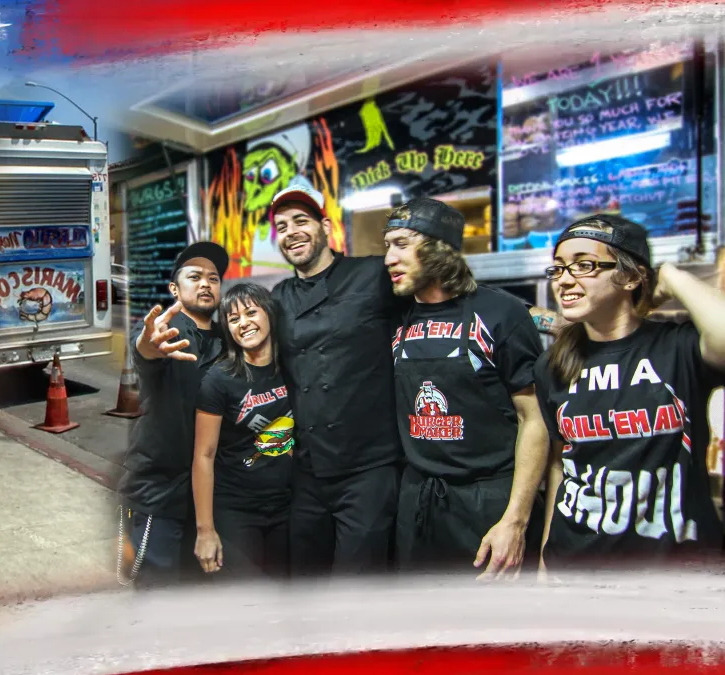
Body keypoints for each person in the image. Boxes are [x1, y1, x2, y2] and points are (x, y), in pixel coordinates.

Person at [535, 215, 725, 572]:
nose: (564, 279)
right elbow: (562, 463)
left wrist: (670, 276)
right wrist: (547, 559)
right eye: (558, 268)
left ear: (632, 276)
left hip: (672, 572)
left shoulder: (677, 348)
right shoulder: (553, 364)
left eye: (584, 265)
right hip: (574, 567)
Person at [382, 198, 549, 577]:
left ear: (440, 248)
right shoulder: (394, 316)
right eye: (386, 246)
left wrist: (516, 520)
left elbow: (534, 418)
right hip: (418, 502)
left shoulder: (500, 313)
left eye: (402, 244)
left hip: (488, 502)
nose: (389, 258)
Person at [267, 177, 408, 577]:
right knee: (303, 580)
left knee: (357, 588)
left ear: (325, 228)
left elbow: (440, 302)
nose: (292, 232)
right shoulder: (279, 297)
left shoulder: (372, 275)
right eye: (282, 227)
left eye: (301, 220)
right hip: (308, 471)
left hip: (369, 470)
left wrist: (535, 318)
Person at [117, 241, 230, 588]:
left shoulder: (228, 338)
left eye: (213, 278)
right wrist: (149, 343)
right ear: (174, 288)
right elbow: (147, 348)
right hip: (159, 496)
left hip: (212, 497)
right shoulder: (168, 331)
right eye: (194, 276)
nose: (205, 284)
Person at [192, 283, 294, 580]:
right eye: (234, 319)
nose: (244, 323)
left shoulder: (294, 367)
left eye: (251, 312)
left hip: (288, 504)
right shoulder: (219, 379)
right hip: (236, 508)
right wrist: (205, 530)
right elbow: (204, 456)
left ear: (270, 315)